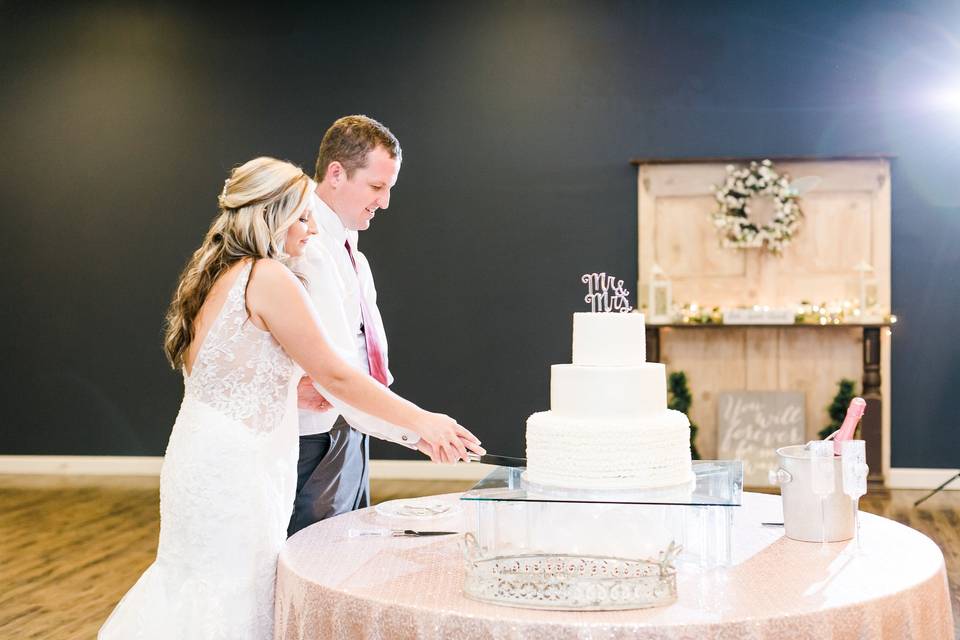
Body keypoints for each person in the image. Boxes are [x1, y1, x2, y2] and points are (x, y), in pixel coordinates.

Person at [99, 157, 483, 639]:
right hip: (241, 468)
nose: (310, 230)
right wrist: (424, 422)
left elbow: (230, 372)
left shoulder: (211, 272)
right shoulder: (269, 277)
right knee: (237, 592)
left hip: (199, 457)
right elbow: (337, 376)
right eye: (301, 217)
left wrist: (289, 387)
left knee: (197, 585)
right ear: (270, 216)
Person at [287, 115, 432, 535]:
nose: (384, 202)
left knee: (345, 552)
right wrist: (416, 428)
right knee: (313, 559)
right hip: (312, 437)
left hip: (353, 426)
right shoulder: (296, 245)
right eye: (376, 187)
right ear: (336, 173)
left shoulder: (354, 254)